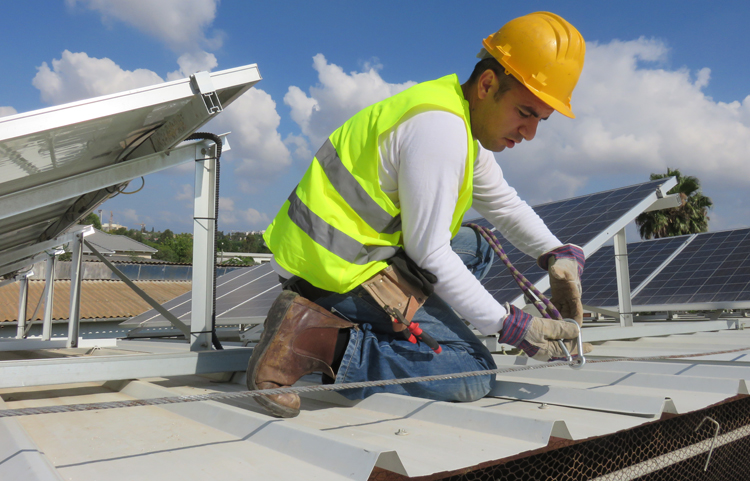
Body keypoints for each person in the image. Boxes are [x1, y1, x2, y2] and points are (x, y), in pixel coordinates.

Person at [247, 11, 590, 418]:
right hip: (331, 270)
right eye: (525, 112)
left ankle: (390, 320)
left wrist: (558, 256)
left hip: (348, 253)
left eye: (541, 120)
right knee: (473, 372)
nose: (530, 132)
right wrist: (510, 326)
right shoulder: (440, 132)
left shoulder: (456, 117)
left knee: (477, 248)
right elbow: (431, 253)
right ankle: (316, 341)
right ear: (487, 84)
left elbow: (505, 204)